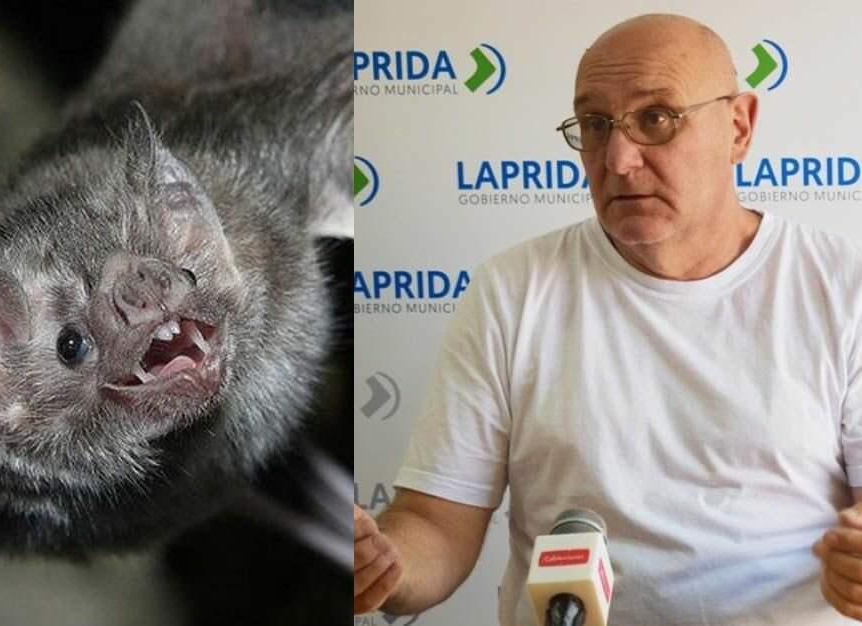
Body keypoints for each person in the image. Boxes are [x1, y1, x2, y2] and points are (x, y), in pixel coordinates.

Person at [354, 13, 862, 626]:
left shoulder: (843, 287)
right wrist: (385, 565)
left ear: (738, 126)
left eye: (656, 119)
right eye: (595, 125)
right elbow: (437, 523)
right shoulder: (511, 290)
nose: (618, 159)